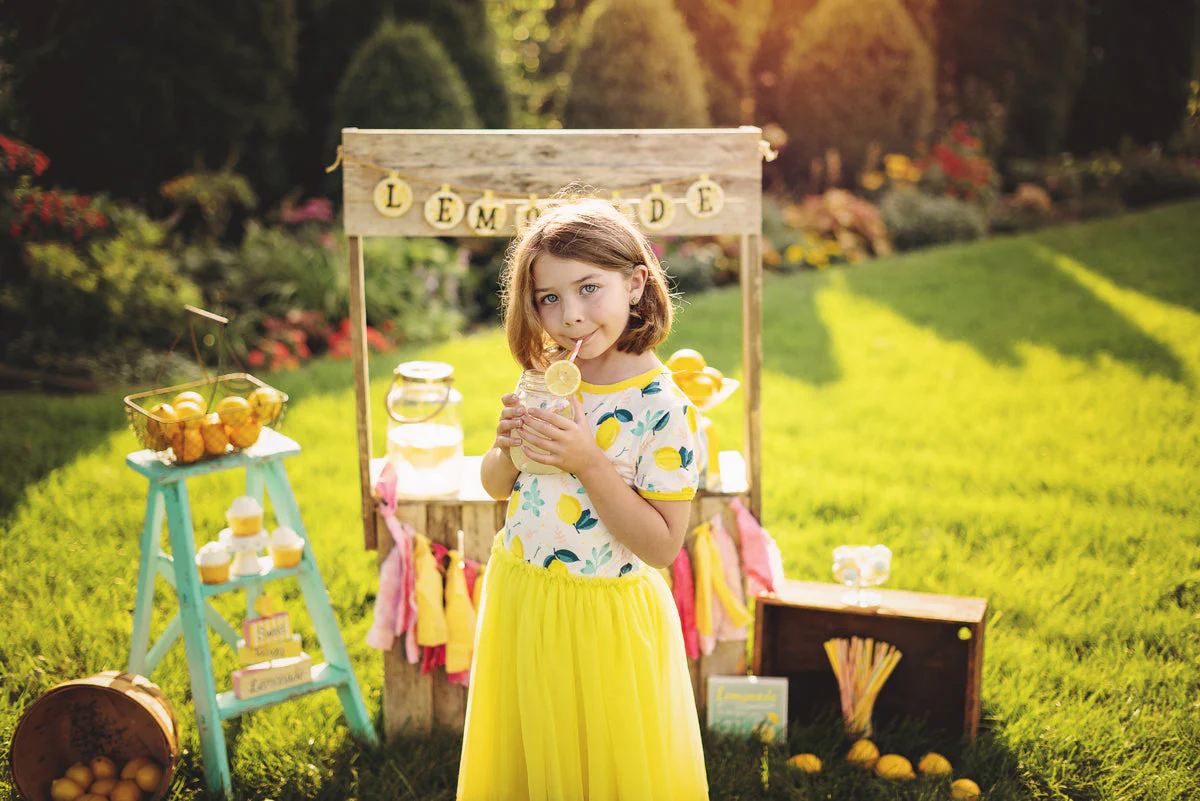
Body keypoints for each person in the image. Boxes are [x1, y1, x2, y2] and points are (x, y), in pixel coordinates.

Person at [458, 198, 709, 800]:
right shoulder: (545, 375)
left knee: (596, 767)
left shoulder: (664, 410)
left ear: (636, 284)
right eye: (550, 298)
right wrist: (507, 447)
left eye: (589, 288)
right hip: (523, 592)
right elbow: (498, 486)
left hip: (604, 618)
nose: (570, 315)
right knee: (531, 755)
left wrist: (590, 463)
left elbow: (659, 546)